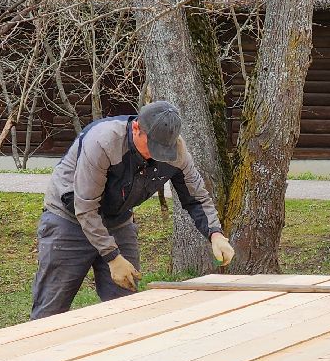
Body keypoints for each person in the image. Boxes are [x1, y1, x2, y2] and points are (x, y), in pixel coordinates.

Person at [30, 100, 235, 319]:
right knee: (50, 311)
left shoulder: (177, 152)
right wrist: (112, 256)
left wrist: (215, 234)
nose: (157, 156)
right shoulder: (103, 141)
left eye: (164, 150)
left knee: (128, 308)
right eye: (153, 147)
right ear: (137, 128)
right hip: (69, 220)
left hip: (117, 221)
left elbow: (196, 197)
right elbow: (85, 206)